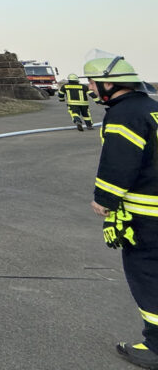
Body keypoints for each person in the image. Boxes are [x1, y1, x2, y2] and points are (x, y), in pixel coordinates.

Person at [84, 53, 158, 369]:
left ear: (108, 84)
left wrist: (105, 201)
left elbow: (118, 163)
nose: (88, 88)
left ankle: (155, 348)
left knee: (148, 275)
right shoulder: (153, 108)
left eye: (92, 82)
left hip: (148, 216)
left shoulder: (124, 115)